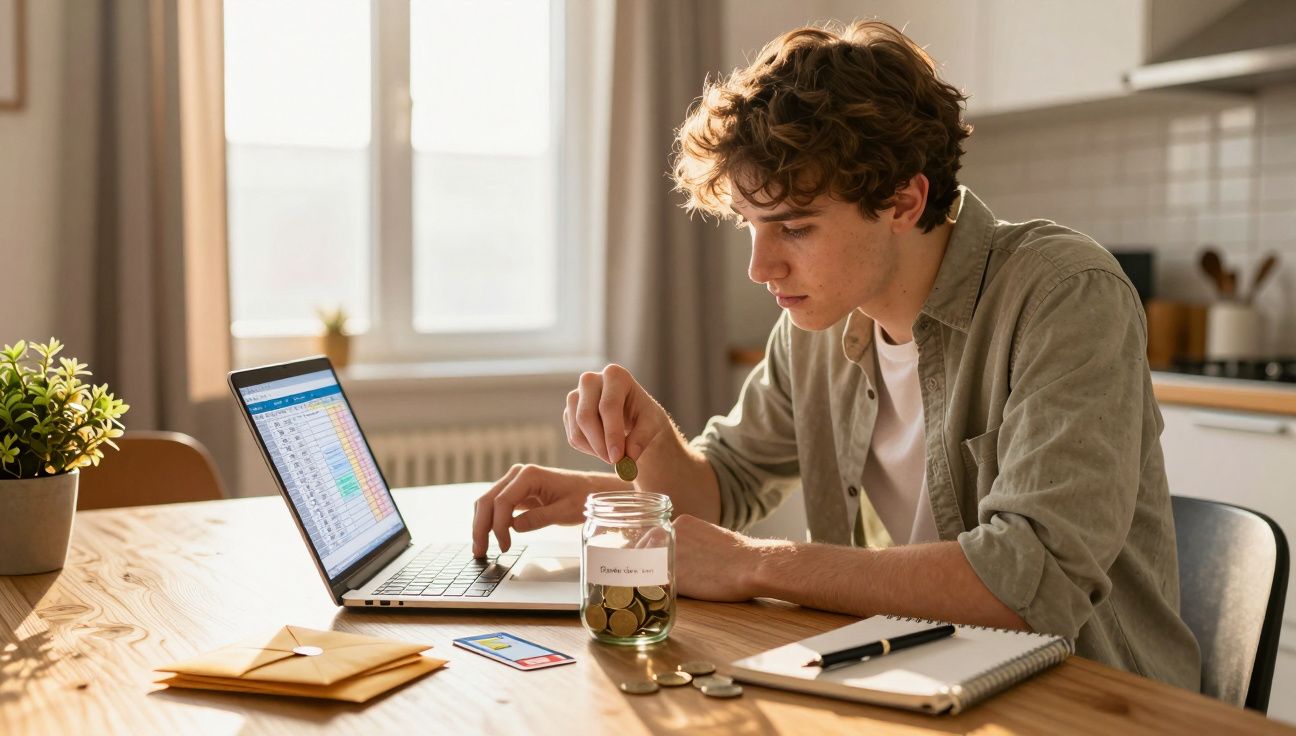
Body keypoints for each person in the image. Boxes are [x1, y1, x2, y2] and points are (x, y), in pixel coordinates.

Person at [471, 20, 1200, 690]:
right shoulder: (816, 330)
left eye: (793, 228)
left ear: (904, 202)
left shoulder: (1063, 294)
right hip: (918, 677)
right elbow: (724, 485)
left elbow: (1027, 582)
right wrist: (653, 447)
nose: (761, 268)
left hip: (1090, 698)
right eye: (751, 226)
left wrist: (758, 563)